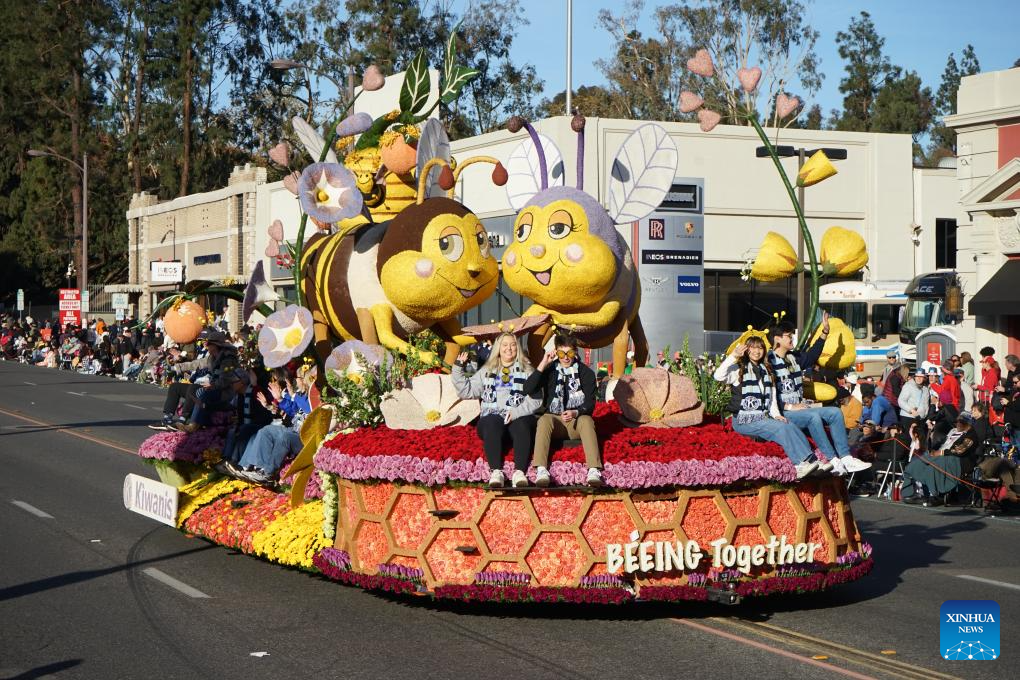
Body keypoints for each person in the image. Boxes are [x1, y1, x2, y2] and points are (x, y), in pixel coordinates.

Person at [767, 315, 870, 474]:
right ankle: (832, 460)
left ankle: (846, 458)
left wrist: (824, 333)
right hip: (782, 412)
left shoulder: (793, 358)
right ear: (777, 339)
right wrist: (789, 406)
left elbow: (812, 355)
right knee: (813, 417)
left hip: (799, 408)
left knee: (835, 412)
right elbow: (766, 394)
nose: (792, 338)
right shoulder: (768, 362)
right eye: (789, 335)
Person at [714, 336, 820, 479]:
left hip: (761, 417)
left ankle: (812, 461)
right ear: (746, 349)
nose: (757, 351)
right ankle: (799, 464)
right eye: (753, 347)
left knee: (788, 424)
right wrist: (734, 356)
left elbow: (772, 397)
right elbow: (718, 376)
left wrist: (776, 415)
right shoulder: (737, 369)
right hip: (743, 419)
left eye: (760, 348)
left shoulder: (766, 370)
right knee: (781, 428)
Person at [452, 332, 541, 488]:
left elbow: (536, 399)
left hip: (517, 417)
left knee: (522, 425)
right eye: (505, 345)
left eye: (513, 345)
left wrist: (516, 413)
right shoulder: (487, 369)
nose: (509, 348)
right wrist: (458, 370)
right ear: (498, 348)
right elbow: (467, 391)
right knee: (492, 422)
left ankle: (519, 472)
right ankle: (496, 472)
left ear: (518, 348)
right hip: (492, 418)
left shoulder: (528, 370)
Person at [525, 333, 604, 487]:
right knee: (544, 419)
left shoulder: (586, 373)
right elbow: (528, 388)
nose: (566, 358)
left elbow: (590, 403)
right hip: (554, 421)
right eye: (561, 354)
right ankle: (541, 469)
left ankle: (594, 470)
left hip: (576, 421)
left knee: (587, 420)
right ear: (556, 352)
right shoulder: (550, 371)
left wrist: (576, 412)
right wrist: (543, 363)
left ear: (576, 352)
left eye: (570, 353)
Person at [902, 412, 981, 505]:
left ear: (968, 424)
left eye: (961, 422)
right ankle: (913, 492)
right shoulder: (953, 431)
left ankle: (934, 494)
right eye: (957, 421)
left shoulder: (971, 435)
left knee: (933, 465)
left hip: (958, 460)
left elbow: (960, 450)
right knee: (918, 462)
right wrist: (933, 449)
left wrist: (941, 452)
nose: (958, 423)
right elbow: (942, 443)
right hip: (941, 455)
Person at [898, 368, 930, 433]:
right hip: (908, 418)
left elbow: (926, 404)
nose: (919, 378)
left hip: (920, 419)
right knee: (908, 440)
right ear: (914, 377)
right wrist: (911, 410)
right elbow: (901, 401)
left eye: (921, 377)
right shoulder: (908, 386)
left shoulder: (925, 389)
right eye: (917, 376)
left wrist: (926, 417)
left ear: (924, 378)